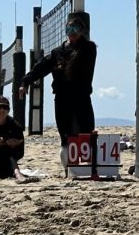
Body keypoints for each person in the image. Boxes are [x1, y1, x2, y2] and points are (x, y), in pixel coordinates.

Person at [18, 11, 97, 146]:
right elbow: (40, 69)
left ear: (82, 31)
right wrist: (25, 82)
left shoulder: (88, 48)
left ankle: (89, 164)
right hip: (62, 97)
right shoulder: (57, 53)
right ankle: (68, 164)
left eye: (75, 29)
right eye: (69, 29)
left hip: (81, 96)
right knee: (65, 134)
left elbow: (76, 61)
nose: (72, 32)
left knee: (86, 132)